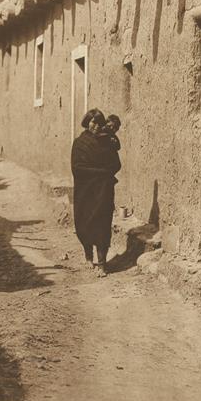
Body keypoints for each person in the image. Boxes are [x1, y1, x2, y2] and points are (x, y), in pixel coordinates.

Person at [71, 108, 121, 277]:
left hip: (103, 191)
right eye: (93, 122)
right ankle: (88, 256)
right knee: (84, 224)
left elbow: (116, 165)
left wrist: (105, 174)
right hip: (85, 191)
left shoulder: (107, 142)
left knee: (102, 226)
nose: (96, 126)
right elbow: (77, 168)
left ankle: (102, 264)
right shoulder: (79, 143)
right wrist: (101, 172)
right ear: (87, 122)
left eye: (99, 123)